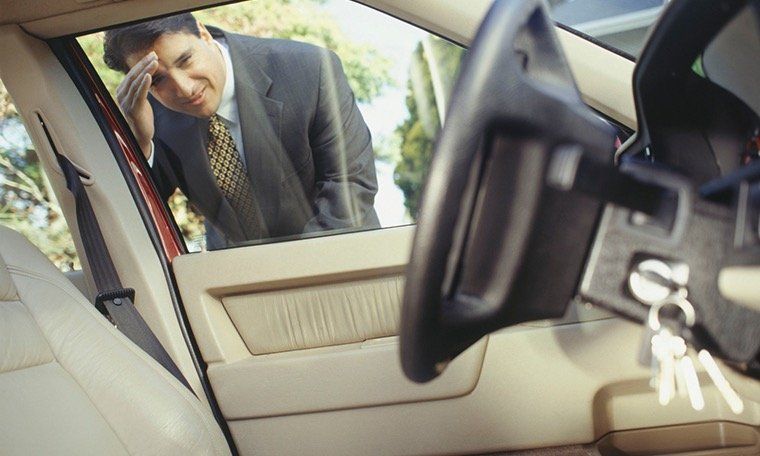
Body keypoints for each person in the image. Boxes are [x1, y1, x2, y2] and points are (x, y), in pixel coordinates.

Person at [104, 13, 379, 249]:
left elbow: (351, 184)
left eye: (185, 60)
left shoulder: (309, 69)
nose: (184, 89)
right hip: (236, 281)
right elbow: (136, 217)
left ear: (203, 33)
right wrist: (140, 143)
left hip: (340, 261)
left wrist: (289, 274)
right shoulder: (152, 115)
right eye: (158, 80)